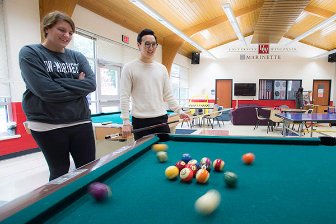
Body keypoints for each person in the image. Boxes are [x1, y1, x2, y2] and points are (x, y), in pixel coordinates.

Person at [19, 11, 96, 181]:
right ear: (47, 28)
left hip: (80, 120)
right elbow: (46, 91)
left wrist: (55, 81)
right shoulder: (30, 52)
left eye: (70, 32)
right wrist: (77, 84)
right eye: (62, 30)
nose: (67, 35)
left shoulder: (77, 56)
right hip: (47, 124)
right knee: (60, 171)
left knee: (88, 168)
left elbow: (91, 84)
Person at [120, 28, 189, 140]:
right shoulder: (129, 68)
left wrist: (179, 111)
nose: (151, 48)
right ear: (139, 45)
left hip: (161, 119)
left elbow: (168, 95)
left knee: (166, 152)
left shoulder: (162, 69)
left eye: (153, 44)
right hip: (140, 121)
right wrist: (126, 121)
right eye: (147, 44)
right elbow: (124, 96)